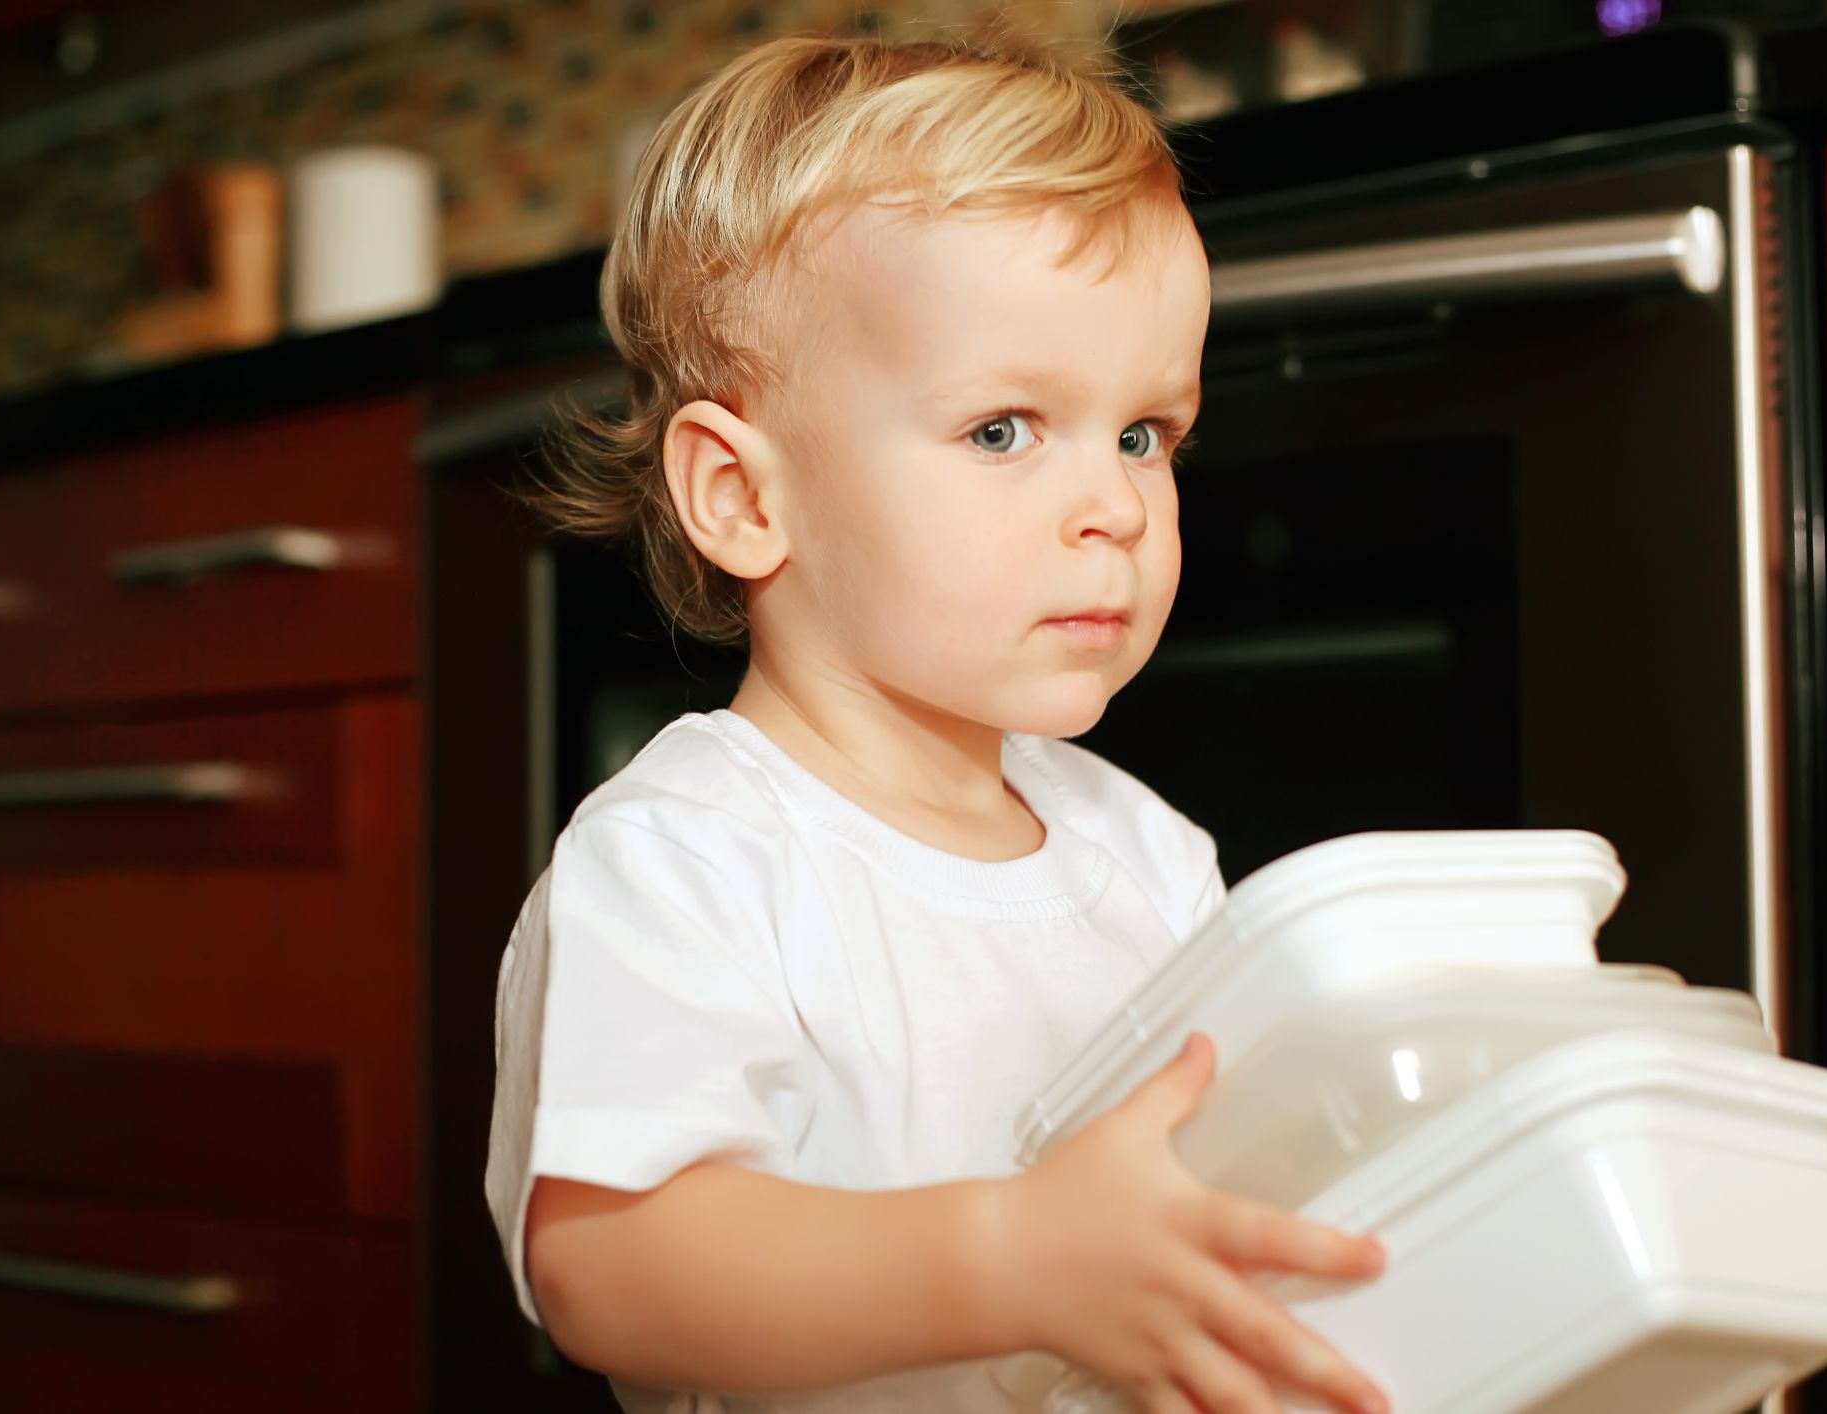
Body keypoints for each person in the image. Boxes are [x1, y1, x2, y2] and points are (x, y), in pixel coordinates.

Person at [485, 26, 1388, 1414]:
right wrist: (1009, 1253)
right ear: (741, 495)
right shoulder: (687, 862)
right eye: (1004, 430)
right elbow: (612, 1268)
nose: (1118, 506)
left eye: (1144, 432)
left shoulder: (1150, 858)